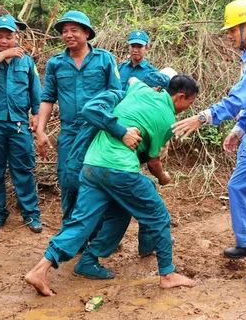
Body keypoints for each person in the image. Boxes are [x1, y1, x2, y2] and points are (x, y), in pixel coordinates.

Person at [25, 74, 198, 296]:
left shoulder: (140, 90)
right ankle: (167, 274)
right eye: (189, 103)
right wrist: (163, 177)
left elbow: (133, 81)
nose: (188, 109)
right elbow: (154, 162)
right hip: (119, 170)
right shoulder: (167, 119)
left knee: (91, 220)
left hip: (92, 165)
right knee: (158, 216)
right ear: (180, 96)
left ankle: (48, 269)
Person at [172, 0, 246, 286]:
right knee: (237, 186)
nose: (228, 36)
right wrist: (239, 131)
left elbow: (238, 99)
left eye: (232, 30)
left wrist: (202, 118)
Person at [69, 69, 175, 279]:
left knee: (123, 208)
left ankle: (138, 245)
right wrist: (123, 131)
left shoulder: (136, 103)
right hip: (90, 163)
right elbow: (92, 112)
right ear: (155, 90)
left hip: (101, 165)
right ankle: (68, 251)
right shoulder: (119, 99)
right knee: (82, 217)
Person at [36, 10, 121, 219]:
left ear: (87, 33)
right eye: (65, 31)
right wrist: (40, 130)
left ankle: (99, 230)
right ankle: (71, 229)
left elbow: (118, 94)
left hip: (97, 132)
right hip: (70, 133)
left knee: (98, 179)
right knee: (68, 179)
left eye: (74, 30)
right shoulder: (56, 63)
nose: (68, 35)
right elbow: (48, 98)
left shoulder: (105, 60)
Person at [0, 15, 42, 232]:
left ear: (17, 37)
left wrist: (36, 114)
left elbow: (35, 91)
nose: (4, 40)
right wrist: (3, 55)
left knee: (23, 169)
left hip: (19, 124)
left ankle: (31, 214)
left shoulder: (27, 62)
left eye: (8, 37)